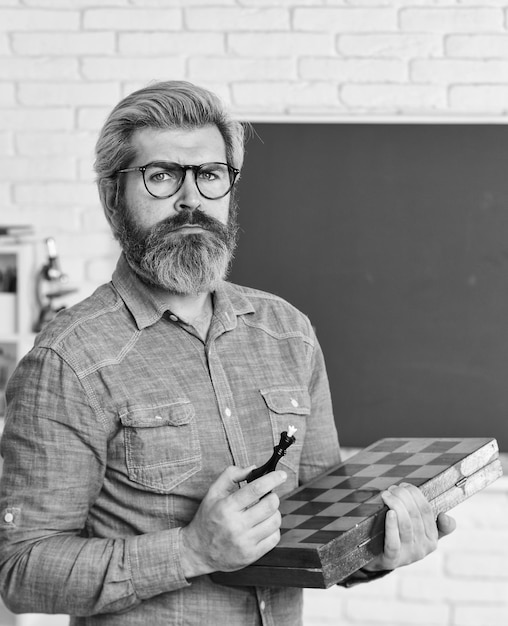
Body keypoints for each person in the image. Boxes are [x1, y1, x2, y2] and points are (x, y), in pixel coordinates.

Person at [0, 81, 455, 626]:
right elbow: (20, 571)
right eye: (162, 175)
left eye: (210, 175)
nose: (191, 198)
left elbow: (318, 533)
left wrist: (378, 550)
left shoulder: (287, 332)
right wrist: (191, 551)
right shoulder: (68, 360)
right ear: (111, 196)